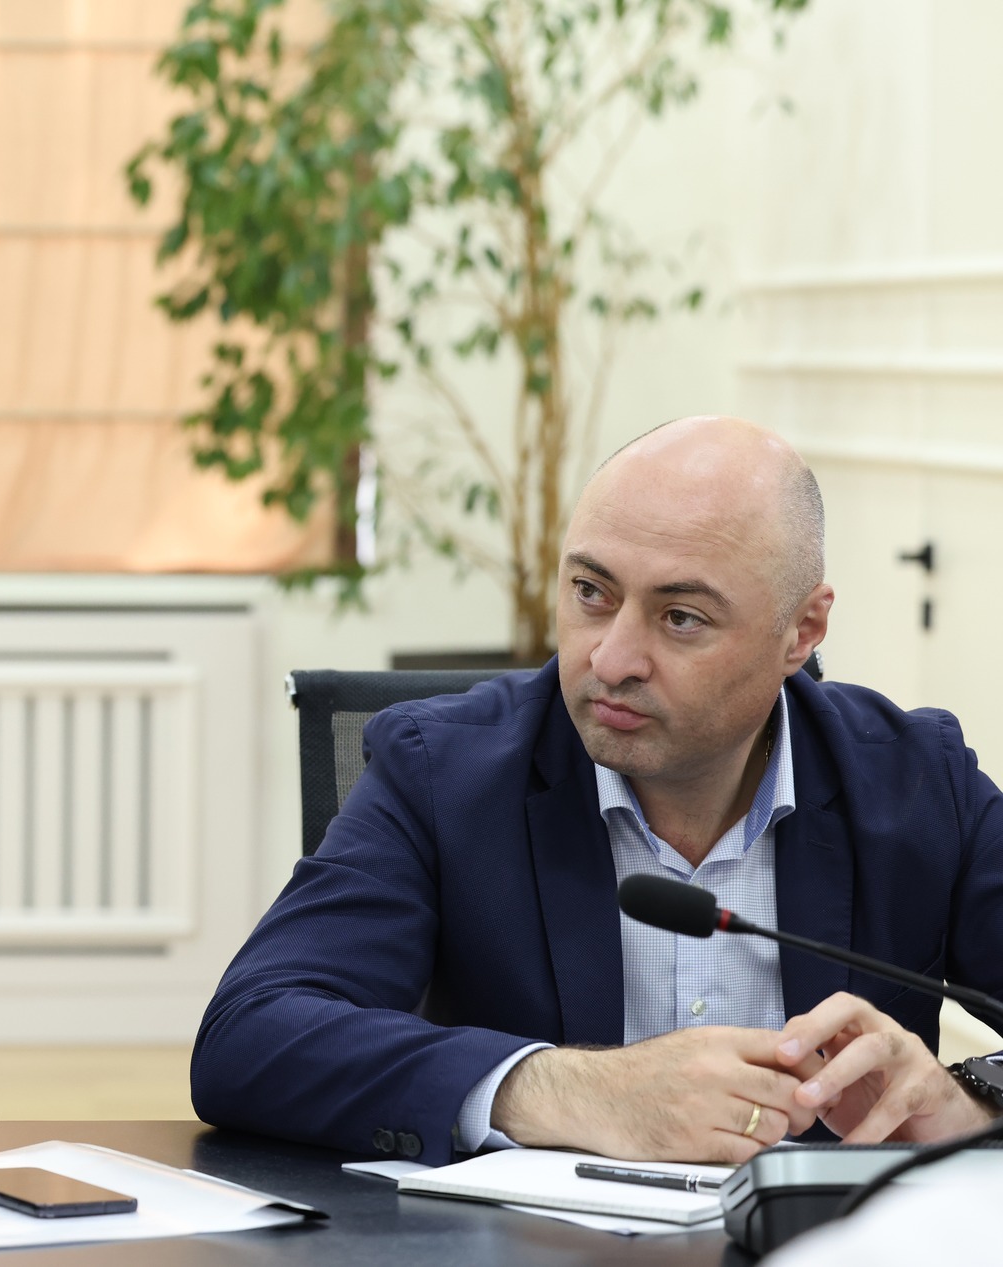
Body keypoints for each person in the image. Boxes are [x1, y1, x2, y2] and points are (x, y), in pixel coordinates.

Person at [194, 416, 1003, 1166]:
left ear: (802, 631)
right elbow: (250, 1037)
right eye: (591, 591)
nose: (611, 659)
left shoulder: (916, 782)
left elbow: (969, 1096)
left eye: (680, 617)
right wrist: (574, 1090)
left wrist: (969, 1098)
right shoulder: (443, 772)